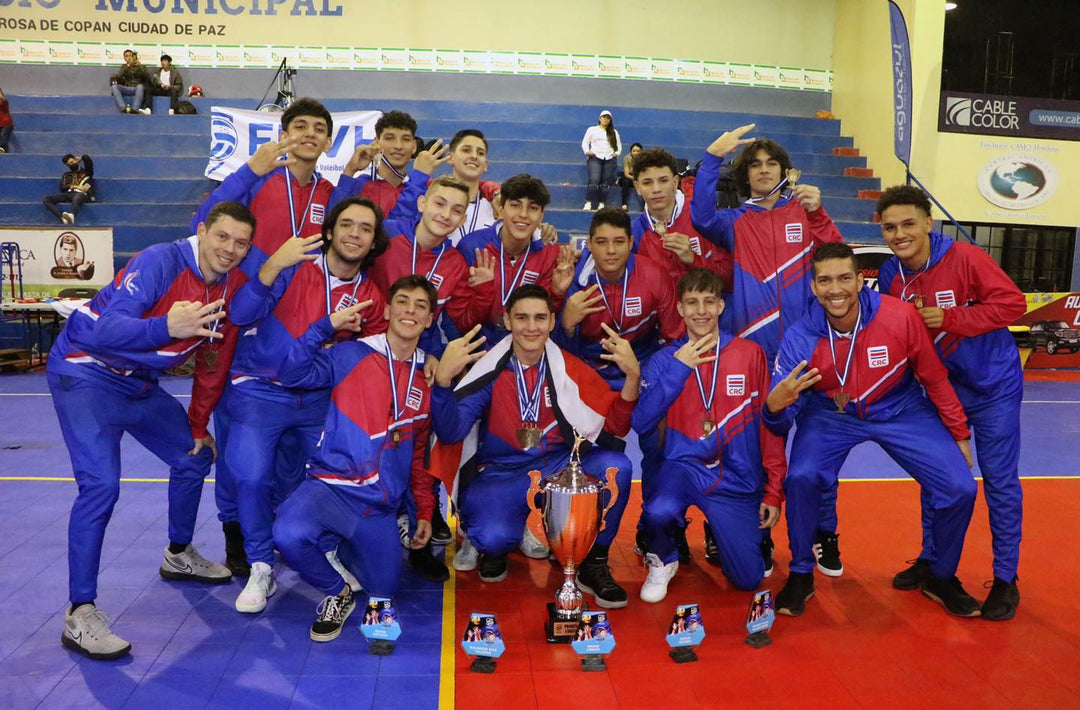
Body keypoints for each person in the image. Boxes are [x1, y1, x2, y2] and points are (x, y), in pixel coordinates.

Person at [48, 201, 255, 660]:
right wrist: (168, 325)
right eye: (222, 237)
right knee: (100, 487)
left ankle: (178, 553)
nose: (230, 249)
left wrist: (199, 424)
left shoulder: (230, 286)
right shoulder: (160, 261)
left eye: (241, 243)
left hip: (137, 384)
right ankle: (79, 612)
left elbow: (212, 365)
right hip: (86, 373)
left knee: (195, 455)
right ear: (202, 231)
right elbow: (106, 331)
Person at [763, 243, 981, 618]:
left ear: (860, 280)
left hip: (900, 407)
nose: (836, 289)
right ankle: (801, 573)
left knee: (960, 487)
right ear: (813, 287)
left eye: (845, 278)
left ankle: (940, 575)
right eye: (825, 280)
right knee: (801, 477)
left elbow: (932, 375)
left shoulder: (900, 317)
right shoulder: (800, 337)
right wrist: (773, 407)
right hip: (830, 413)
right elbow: (779, 419)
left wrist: (959, 432)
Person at [190, 98, 336, 573]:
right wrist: (249, 171)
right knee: (239, 449)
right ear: (284, 134)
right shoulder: (259, 183)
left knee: (294, 455)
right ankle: (235, 532)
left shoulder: (330, 191)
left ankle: (279, 530)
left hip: (302, 331)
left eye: (318, 128)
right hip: (248, 321)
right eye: (300, 126)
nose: (309, 134)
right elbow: (206, 220)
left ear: (328, 140)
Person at [691, 125, 845, 574]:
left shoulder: (803, 212)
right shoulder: (734, 221)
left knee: (820, 452)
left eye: (769, 163)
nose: (762, 170)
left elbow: (836, 252)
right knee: (751, 453)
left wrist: (817, 214)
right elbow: (700, 214)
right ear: (745, 174)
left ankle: (824, 534)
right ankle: (751, 536)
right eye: (754, 164)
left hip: (807, 355)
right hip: (754, 355)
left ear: (783, 170)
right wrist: (711, 157)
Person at [225, 197, 389, 613]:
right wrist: (272, 266)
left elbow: (377, 355)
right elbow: (240, 313)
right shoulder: (296, 265)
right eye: (347, 224)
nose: (355, 233)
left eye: (365, 228)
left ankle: (318, 547)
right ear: (330, 231)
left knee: (309, 480)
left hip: (317, 397)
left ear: (373, 242)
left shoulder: (370, 295)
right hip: (260, 387)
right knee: (251, 475)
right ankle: (261, 564)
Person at [430, 285, 638, 609]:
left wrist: (632, 380)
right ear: (507, 320)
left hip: (557, 467)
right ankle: (499, 535)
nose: (531, 326)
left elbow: (614, 427)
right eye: (522, 317)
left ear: (553, 322)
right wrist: (443, 383)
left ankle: (593, 562)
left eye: (540, 318)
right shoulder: (490, 371)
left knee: (616, 469)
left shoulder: (570, 368)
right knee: (494, 538)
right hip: (502, 473)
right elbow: (451, 431)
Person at [876, 185, 1026, 621]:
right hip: (940, 392)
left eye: (908, 224)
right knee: (937, 477)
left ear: (927, 222)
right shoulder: (890, 275)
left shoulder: (964, 258)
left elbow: (1012, 303)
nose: (900, 234)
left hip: (991, 386)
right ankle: (932, 559)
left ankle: (1005, 578)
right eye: (890, 227)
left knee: (999, 482)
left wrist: (953, 318)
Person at [271, 275, 440, 642]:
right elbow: (291, 372)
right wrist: (324, 326)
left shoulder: (429, 374)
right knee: (286, 534)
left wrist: (423, 511)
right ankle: (338, 592)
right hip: (330, 488)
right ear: (389, 309)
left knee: (385, 588)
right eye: (403, 301)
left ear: (430, 319)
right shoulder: (351, 353)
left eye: (421, 305)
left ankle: (346, 548)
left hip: (377, 507)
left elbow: (418, 456)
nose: (410, 310)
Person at [633, 268, 785, 602]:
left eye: (708, 301)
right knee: (658, 511)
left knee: (748, 579)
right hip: (683, 468)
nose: (700, 310)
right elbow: (642, 423)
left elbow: (768, 425)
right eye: (692, 302)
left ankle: (727, 531)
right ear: (681, 310)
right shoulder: (662, 360)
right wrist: (679, 368)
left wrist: (773, 489)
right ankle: (664, 558)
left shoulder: (749, 355)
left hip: (736, 475)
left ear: (720, 307)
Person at [458, 174, 577, 346]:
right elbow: (459, 321)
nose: (523, 215)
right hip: (478, 348)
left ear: (541, 216)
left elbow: (544, 318)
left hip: (526, 347)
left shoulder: (549, 255)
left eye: (533, 208)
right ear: (500, 209)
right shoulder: (471, 247)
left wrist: (557, 293)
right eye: (515, 205)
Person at [629, 148, 733, 293]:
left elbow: (730, 281)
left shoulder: (703, 217)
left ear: (675, 181)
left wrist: (694, 259)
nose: (656, 189)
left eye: (663, 180)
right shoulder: (634, 233)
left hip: (708, 313)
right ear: (637, 187)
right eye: (647, 183)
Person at [332, 110, 421, 218]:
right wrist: (349, 170)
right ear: (376, 143)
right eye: (389, 138)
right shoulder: (360, 185)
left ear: (414, 146)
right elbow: (333, 221)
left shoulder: (419, 188)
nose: (398, 146)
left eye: (406, 139)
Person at [581, 110, 622, 211]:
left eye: (608, 118)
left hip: (609, 159)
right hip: (595, 157)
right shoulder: (592, 129)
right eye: (604, 117)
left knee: (605, 182)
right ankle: (588, 202)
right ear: (600, 118)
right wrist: (587, 151)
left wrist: (616, 153)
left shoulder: (614, 132)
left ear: (610, 120)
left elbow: (619, 146)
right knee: (594, 179)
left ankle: (602, 204)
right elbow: (585, 143)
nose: (605, 119)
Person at [43, 154, 94, 225]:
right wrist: (72, 186)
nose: (72, 165)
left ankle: (72, 215)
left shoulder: (86, 172)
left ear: (76, 160)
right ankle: (63, 217)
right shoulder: (66, 175)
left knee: (77, 196)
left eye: (72, 162)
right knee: (46, 199)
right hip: (69, 194)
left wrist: (81, 158)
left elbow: (87, 159)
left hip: (82, 194)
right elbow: (62, 188)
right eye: (69, 164)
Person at [109, 49, 151, 114]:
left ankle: (135, 109)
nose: (129, 57)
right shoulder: (124, 67)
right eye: (127, 56)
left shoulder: (142, 66)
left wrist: (139, 66)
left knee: (140, 86)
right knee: (114, 87)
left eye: (130, 56)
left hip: (137, 88)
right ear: (124, 58)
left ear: (133, 57)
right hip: (126, 87)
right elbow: (120, 76)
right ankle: (123, 108)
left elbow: (148, 76)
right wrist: (128, 65)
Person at [617, 143, 643, 211]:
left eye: (638, 151)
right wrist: (635, 179)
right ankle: (624, 205)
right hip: (630, 177)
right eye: (634, 151)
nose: (636, 153)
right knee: (625, 182)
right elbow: (626, 174)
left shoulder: (644, 159)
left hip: (640, 178)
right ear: (631, 152)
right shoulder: (627, 158)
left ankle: (646, 207)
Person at [0, 87, 13, 154]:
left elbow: (3, 100)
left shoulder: (4, 102)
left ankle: (2, 149)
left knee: (3, 136)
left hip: (6, 124)